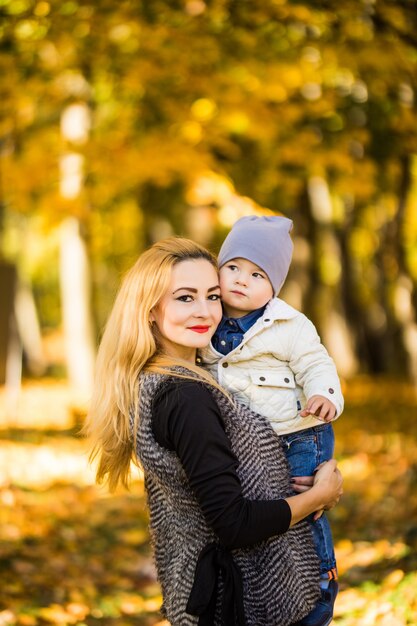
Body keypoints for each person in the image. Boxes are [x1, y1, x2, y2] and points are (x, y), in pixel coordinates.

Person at [84, 237, 343, 626]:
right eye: (185, 298)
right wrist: (321, 495)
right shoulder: (187, 398)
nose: (205, 311)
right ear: (150, 311)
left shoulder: (179, 381)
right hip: (243, 603)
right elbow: (233, 523)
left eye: (213, 296)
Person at [201, 215, 344, 626]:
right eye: (233, 268)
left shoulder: (288, 324)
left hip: (300, 433)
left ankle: (319, 577)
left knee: (307, 509)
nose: (242, 280)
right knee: (271, 514)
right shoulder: (209, 322)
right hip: (254, 442)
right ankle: (273, 586)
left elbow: (316, 362)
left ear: (274, 285)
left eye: (257, 274)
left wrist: (324, 395)